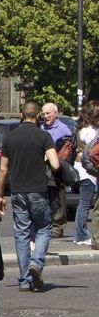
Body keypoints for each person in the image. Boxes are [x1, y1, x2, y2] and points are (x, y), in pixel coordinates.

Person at [0, 101, 60, 291]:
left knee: (22, 234)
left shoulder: (10, 137)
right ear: (38, 116)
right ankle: (36, 263)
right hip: (39, 190)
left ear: (21, 116)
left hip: (17, 191)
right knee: (44, 228)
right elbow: (56, 164)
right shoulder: (44, 136)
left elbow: (3, 169)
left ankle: (24, 280)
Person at [39, 102, 72, 238]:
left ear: (55, 114)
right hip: (42, 167)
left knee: (58, 197)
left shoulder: (63, 129)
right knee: (45, 197)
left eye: (48, 113)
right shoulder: (41, 128)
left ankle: (58, 227)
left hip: (57, 167)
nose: (45, 116)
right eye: (44, 113)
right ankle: (47, 225)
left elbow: (68, 149)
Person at [73, 100, 99, 247]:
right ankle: (81, 233)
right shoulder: (89, 131)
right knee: (85, 202)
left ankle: (80, 233)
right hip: (86, 169)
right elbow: (92, 151)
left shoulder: (82, 128)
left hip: (82, 167)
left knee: (84, 201)